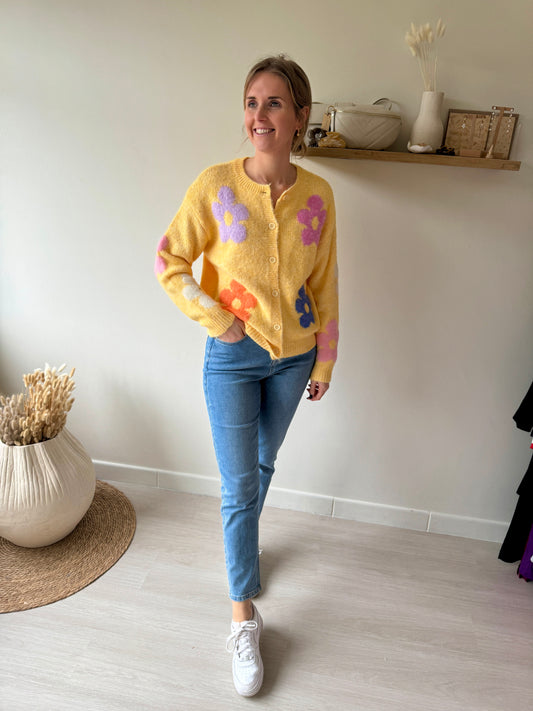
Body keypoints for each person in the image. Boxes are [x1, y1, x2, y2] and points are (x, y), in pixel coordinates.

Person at [155, 54, 339, 697]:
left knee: (262, 463)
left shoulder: (319, 195)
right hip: (233, 357)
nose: (259, 116)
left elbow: (325, 283)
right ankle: (243, 615)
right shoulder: (215, 186)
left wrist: (326, 358)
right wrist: (218, 320)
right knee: (238, 487)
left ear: (300, 117)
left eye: (274, 103)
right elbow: (169, 261)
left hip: (296, 356)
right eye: (252, 103)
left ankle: (245, 547)